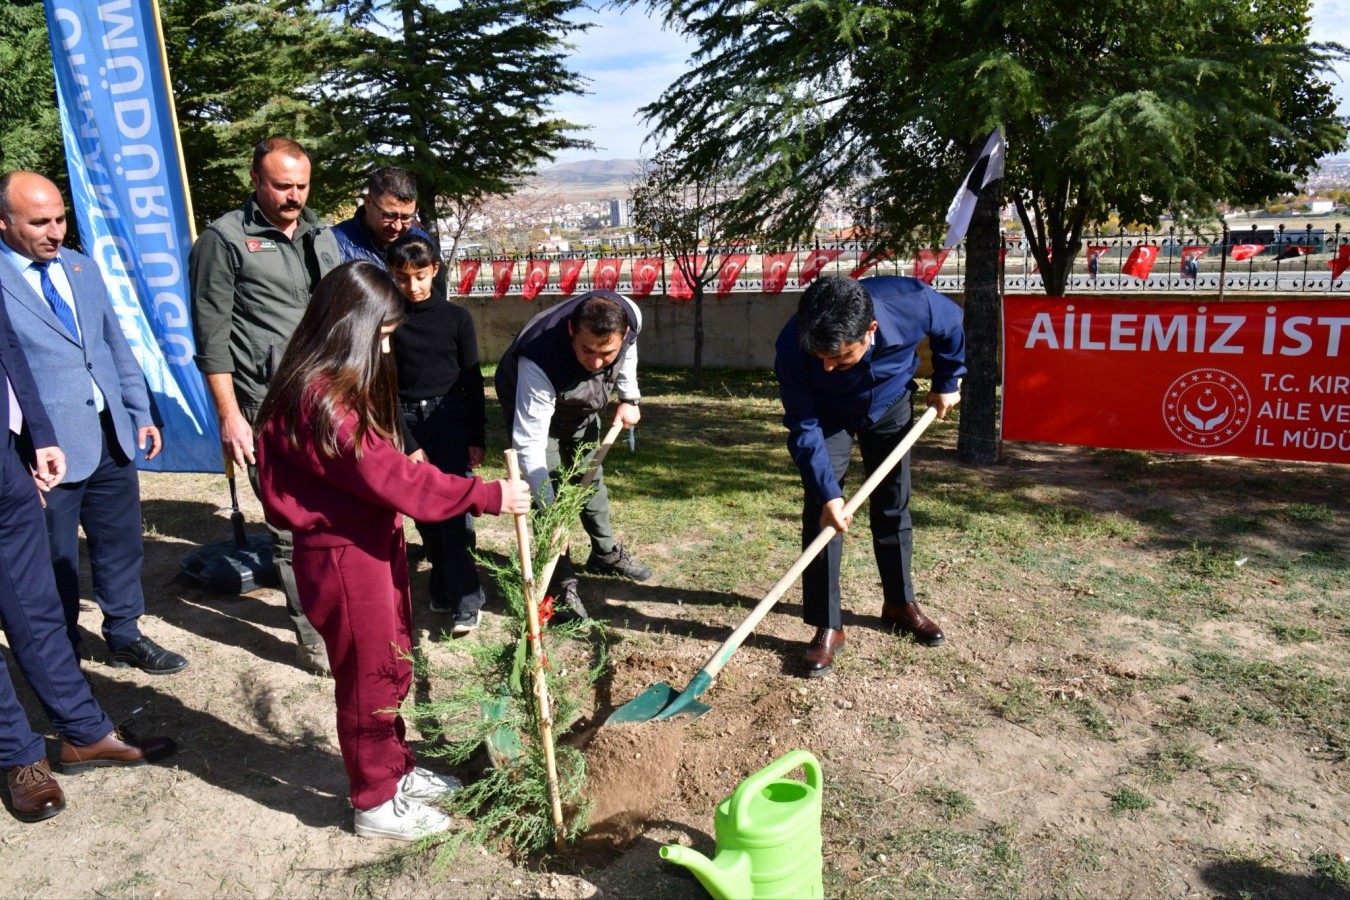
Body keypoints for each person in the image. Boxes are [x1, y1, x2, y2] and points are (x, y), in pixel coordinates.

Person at [254, 261, 530, 841]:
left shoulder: (328, 387)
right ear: (351, 327)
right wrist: (486, 494)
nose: (385, 348)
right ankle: (375, 801)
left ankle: (395, 768)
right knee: (370, 678)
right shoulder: (319, 401)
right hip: (341, 554)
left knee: (393, 660)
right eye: (381, 335)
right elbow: (392, 481)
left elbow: (382, 470)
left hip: (370, 541)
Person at [0, 274, 177, 823]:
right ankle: (19, 755)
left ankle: (84, 733)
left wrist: (34, 435)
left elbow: (7, 352)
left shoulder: (78, 267)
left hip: (6, 466)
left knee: (36, 610)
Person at [0, 171, 187, 674]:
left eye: (59, 218)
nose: (54, 231)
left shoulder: (81, 268)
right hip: (44, 451)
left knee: (120, 543)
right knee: (52, 556)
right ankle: (58, 647)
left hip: (111, 436)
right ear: (4, 222)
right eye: (39, 222)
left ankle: (124, 632)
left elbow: (113, 345)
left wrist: (139, 411)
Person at [189, 136, 343, 675]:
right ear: (256, 181)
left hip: (328, 402)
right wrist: (230, 416)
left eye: (301, 185)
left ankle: (343, 610)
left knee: (339, 515)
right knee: (290, 525)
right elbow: (211, 340)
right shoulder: (224, 240)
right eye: (282, 185)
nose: (293, 196)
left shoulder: (322, 233)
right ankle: (314, 635)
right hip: (266, 408)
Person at [775, 275, 966, 677]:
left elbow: (950, 325)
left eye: (840, 357)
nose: (827, 365)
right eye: (820, 356)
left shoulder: (912, 302)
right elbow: (803, 426)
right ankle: (829, 624)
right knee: (823, 514)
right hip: (827, 417)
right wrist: (829, 494)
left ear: (870, 331)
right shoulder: (792, 344)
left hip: (891, 403)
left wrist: (947, 381)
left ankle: (899, 604)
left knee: (893, 504)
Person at [495, 290, 650, 619]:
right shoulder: (538, 359)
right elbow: (529, 448)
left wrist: (629, 397)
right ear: (570, 331)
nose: (595, 362)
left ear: (621, 336)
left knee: (590, 478)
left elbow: (630, 353)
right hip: (537, 414)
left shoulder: (631, 315)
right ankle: (560, 581)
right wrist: (554, 517)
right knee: (546, 488)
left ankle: (605, 553)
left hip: (581, 409)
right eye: (586, 350)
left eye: (606, 353)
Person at [386, 234, 487, 631]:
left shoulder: (457, 319)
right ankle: (443, 585)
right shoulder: (389, 323)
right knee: (423, 511)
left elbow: (472, 380)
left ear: (435, 271)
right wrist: (407, 443)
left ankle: (467, 597)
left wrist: (476, 435)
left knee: (453, 511)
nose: (413, 286)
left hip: (451, 420)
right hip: (408, 423)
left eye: (420, 276)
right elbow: (386, 388)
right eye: (402, 277)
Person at [333, 167, 440, 284]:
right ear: (368, 202)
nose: (397, 226)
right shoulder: (335, 243)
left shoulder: (422, 242)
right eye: (389, 215)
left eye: (406, 217)